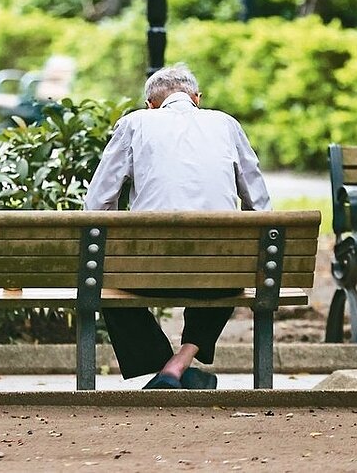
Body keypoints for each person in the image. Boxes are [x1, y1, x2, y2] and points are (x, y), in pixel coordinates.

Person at [83, 63, 271, 389]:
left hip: (148, 276)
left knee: (98, 275)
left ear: (150, 105)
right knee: (232, 263)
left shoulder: (134, 124)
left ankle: (167, 368)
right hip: (222, 276)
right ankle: (180, 364)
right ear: (196, 99)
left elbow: (96, 205)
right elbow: (260, 206)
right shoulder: (226, 125)